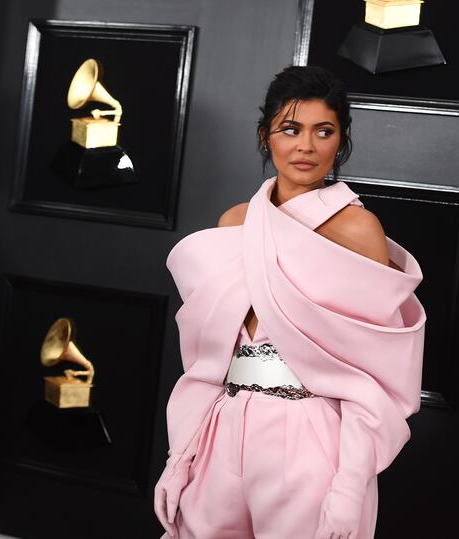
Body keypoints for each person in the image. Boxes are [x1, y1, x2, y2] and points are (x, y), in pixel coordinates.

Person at [154, 65, 426, 539]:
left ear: (340, 143)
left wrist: (349, 482)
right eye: (290, 129)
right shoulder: (235, 222)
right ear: (266, 137)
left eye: (324, 131)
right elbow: (207, 357)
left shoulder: (359, 230)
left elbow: (375, 372)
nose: (306, 146)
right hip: (225, 424)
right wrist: (182, 455)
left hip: (309, 430)